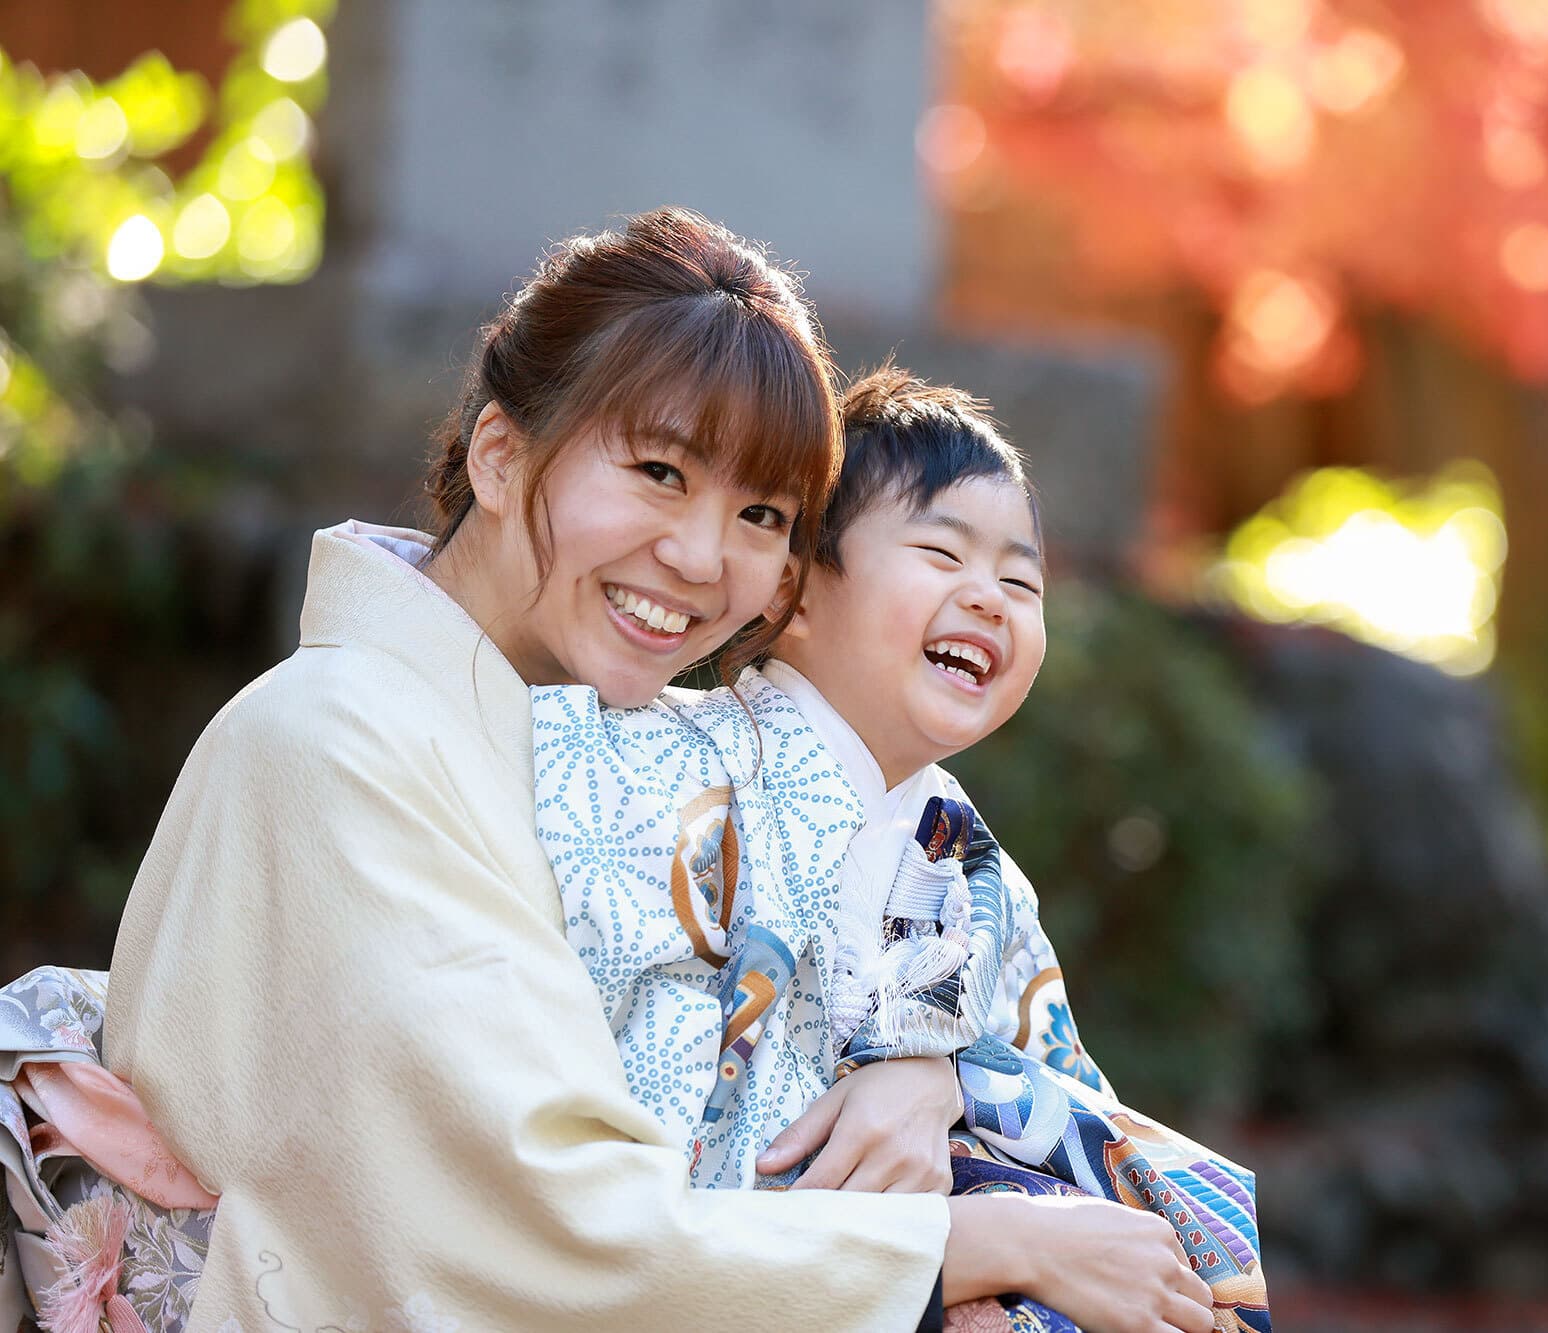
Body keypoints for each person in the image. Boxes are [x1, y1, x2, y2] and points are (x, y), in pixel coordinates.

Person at [67, 207, 1211, 1333]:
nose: (704, 558)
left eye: (762, 511)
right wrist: (969, 1243)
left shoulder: (648, 748)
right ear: (503, 453)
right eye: (660, 471)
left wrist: (927, 1070)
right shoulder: (334, 739)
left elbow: (883, 934)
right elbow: (530, 1222)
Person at [532, 366, 1269, 1333]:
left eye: (1020, 579)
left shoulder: (981, 873)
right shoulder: (649, 767)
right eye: (941, 552)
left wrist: (948, 1076)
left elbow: (1068, 1103)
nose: (990, 598)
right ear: (791, 591)